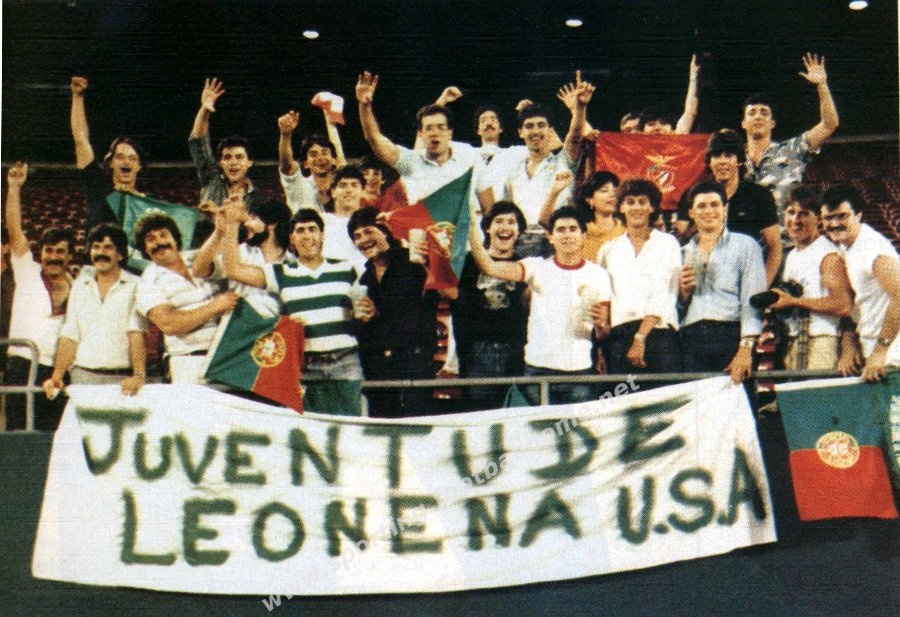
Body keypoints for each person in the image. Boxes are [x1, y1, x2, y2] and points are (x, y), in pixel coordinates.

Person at [222, 208, 365, 416]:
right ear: (292, 238)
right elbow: (232, 269)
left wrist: (367, 310)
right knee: (311, 428)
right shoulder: (281, 273)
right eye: (300, 230)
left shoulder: (347, 269)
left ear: (322, 235)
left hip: (346, 360)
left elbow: (365, 306)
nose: (306, 235)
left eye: (312, 229)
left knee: (351, 427)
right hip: (305, 365)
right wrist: (232, 224)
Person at [469, 205, 611, 405]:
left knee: (573, 426)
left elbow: (603, 332)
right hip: (537, 370)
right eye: (560, 230)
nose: (567, 235)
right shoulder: (536, 267)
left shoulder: (598, 275)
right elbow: (490, 267)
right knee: (538, 426)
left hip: (579, 371)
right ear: (550, 237)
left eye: (573, 229)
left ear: (584, 235)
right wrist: (470, 227)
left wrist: (600, 324)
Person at [486, 75, 596, 256]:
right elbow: (506, 213)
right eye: (529, 126)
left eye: (541, 125)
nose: (535, 131)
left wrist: (580, 107)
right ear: (521, 132)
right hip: (520, 245)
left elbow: (575, 135)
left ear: (549, 130)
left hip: (556, 241)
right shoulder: (513, 171)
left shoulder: (564, 160)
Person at [348, 207, 441, 417]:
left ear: (385, 231)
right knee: (382, 430)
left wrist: (430, 262)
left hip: (414, 364)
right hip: (378, 369)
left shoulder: (414, 263)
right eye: (357, 236)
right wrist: (360, 318)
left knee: (415, 428)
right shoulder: (364, 279)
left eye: (368, 231)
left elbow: (427, 304)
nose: (362, 240)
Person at [3, 162, 74, 430]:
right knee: (18, 432)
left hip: (57, 370)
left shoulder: (79, 287)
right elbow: (14, 230)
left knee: (52, 435)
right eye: (48, 251)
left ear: (69, 256)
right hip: (21, 364)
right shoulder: (28, 271)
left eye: (60, 252)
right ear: (41, 252)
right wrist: (14, 188)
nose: (53, 257)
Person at [41, 223, 147, 397]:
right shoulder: (80, 285)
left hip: (122, 380)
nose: (100, 253)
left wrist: (138, 376)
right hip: (81, 376)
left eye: (108, 247)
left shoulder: (136, 284)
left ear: (120, 254)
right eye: (96, 247)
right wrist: (57, 376)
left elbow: (136, 333)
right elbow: (70, 334)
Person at [678, 181, 767, 384]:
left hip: (730, 336)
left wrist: (745, 349)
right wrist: (683, 295)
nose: (708, 211)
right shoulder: (681, 253)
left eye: (714, 205)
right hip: (690, 340)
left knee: (737, 400)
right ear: (691, 212)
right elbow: (674, 309)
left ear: (725, 209)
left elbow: (753, 301)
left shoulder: (746, 245)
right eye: (701, 206)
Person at [134, 211, 238, 384]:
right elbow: (170, 324)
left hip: (228, 356)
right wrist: (215, 306)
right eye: (150, 239)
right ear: (145, 249)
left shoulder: (197, 256)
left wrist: (221, 229)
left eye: (163, 235)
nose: (159, 242)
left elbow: (233, 268)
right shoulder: (146, 282)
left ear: (175, 239)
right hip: (189, 361)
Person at [675, 129, 782, 285]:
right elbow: (680, 243)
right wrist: (700, 223)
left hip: (745, 277)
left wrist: (760, 289)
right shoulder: (693, 195)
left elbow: (775, 249)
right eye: (717, 156)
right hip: (704, 279)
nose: (722, 161)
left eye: (729, 155)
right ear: (709, 161)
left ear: (739, 160)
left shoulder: (759, 196)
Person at [356, 72, 482, 204]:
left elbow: (488, 205)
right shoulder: (412, 162)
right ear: (421, 134)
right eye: (428, 128)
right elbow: (374, 139)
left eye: (440, 127)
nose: (434, 133)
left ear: (450, 132)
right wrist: (364, 106)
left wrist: (442, 101)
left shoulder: (468, 155)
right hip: (422, 217)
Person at [597, 179, 681, 375]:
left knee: (662, 395)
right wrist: (600, 349)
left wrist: (640, 337)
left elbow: (664, 293)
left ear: (652, 207)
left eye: (642, 202)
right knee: (624, 394)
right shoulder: (608, 249)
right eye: (630, 202)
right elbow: (603, 299)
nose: (636, 207)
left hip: (659, 335)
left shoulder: (667, 243)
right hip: (620, 338)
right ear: (621, 207)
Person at [452, 201, 528, 410]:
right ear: (487, 228)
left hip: (515, 351)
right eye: (499, 221)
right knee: (479, 413)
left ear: (519, 230)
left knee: (514, 414)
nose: (505, 227)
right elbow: (452, 296)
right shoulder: (468, 262)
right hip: (477, 351)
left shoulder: (526, 265)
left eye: (511, 222)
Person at [767, 185, 853, 370]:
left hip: (820, 341)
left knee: (815, 390)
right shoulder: (791, 255)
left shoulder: (827, 254)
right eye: (791, 212)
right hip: (791, 339)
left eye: (804, 213)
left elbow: (843, 304)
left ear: (818, 219)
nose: (795, 220)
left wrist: (793, 301)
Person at [819, 184, 900, 381]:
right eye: (828, 218)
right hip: (876, 348)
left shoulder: (873, 249)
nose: (834, 224)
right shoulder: (848, 247)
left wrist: (881, 350)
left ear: (858, 215)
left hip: (893, 353)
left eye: (842, 216)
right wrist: (849, 343)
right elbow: (854, 302)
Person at [742, 53, 839, 215]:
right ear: (743, 123)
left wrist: (822, 85)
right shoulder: (734, 161)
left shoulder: (792, 149)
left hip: (787, 231)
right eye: (752, 113)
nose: (758, 116)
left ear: (773, 123)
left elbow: (829, 125)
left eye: (764, 112)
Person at [188, 78, 266, 244]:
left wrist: (218, 212)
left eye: (239, 157)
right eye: (227, 157)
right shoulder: (211, 180)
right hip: (204, 251)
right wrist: (204, 110)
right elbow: (198, 142)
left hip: (237, 254)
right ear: (220, 163)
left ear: (249, 162)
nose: (233, 162)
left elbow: (257, 233)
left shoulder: (259, 199)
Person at [69, 76, 148, 234]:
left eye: (132, 158)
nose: (126, 162)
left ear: (139, 166)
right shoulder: (97, 187)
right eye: (120, 157)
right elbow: (81, 139)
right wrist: (77, 97)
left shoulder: (149, 203)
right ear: (110, 162)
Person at [278, 108, 344, 211]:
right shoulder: (299, 187)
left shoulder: (343, 188)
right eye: (313, 154)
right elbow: (287, 167)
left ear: (334, 160)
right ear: (305, 164)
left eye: (324, 153)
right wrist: (285, 135)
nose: (320, 158)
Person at [576, 171, 625, 261]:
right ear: (590, 200)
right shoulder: (579, 232)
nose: (612, 195)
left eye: (615, 191)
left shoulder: (626, 231)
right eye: (604, 191)